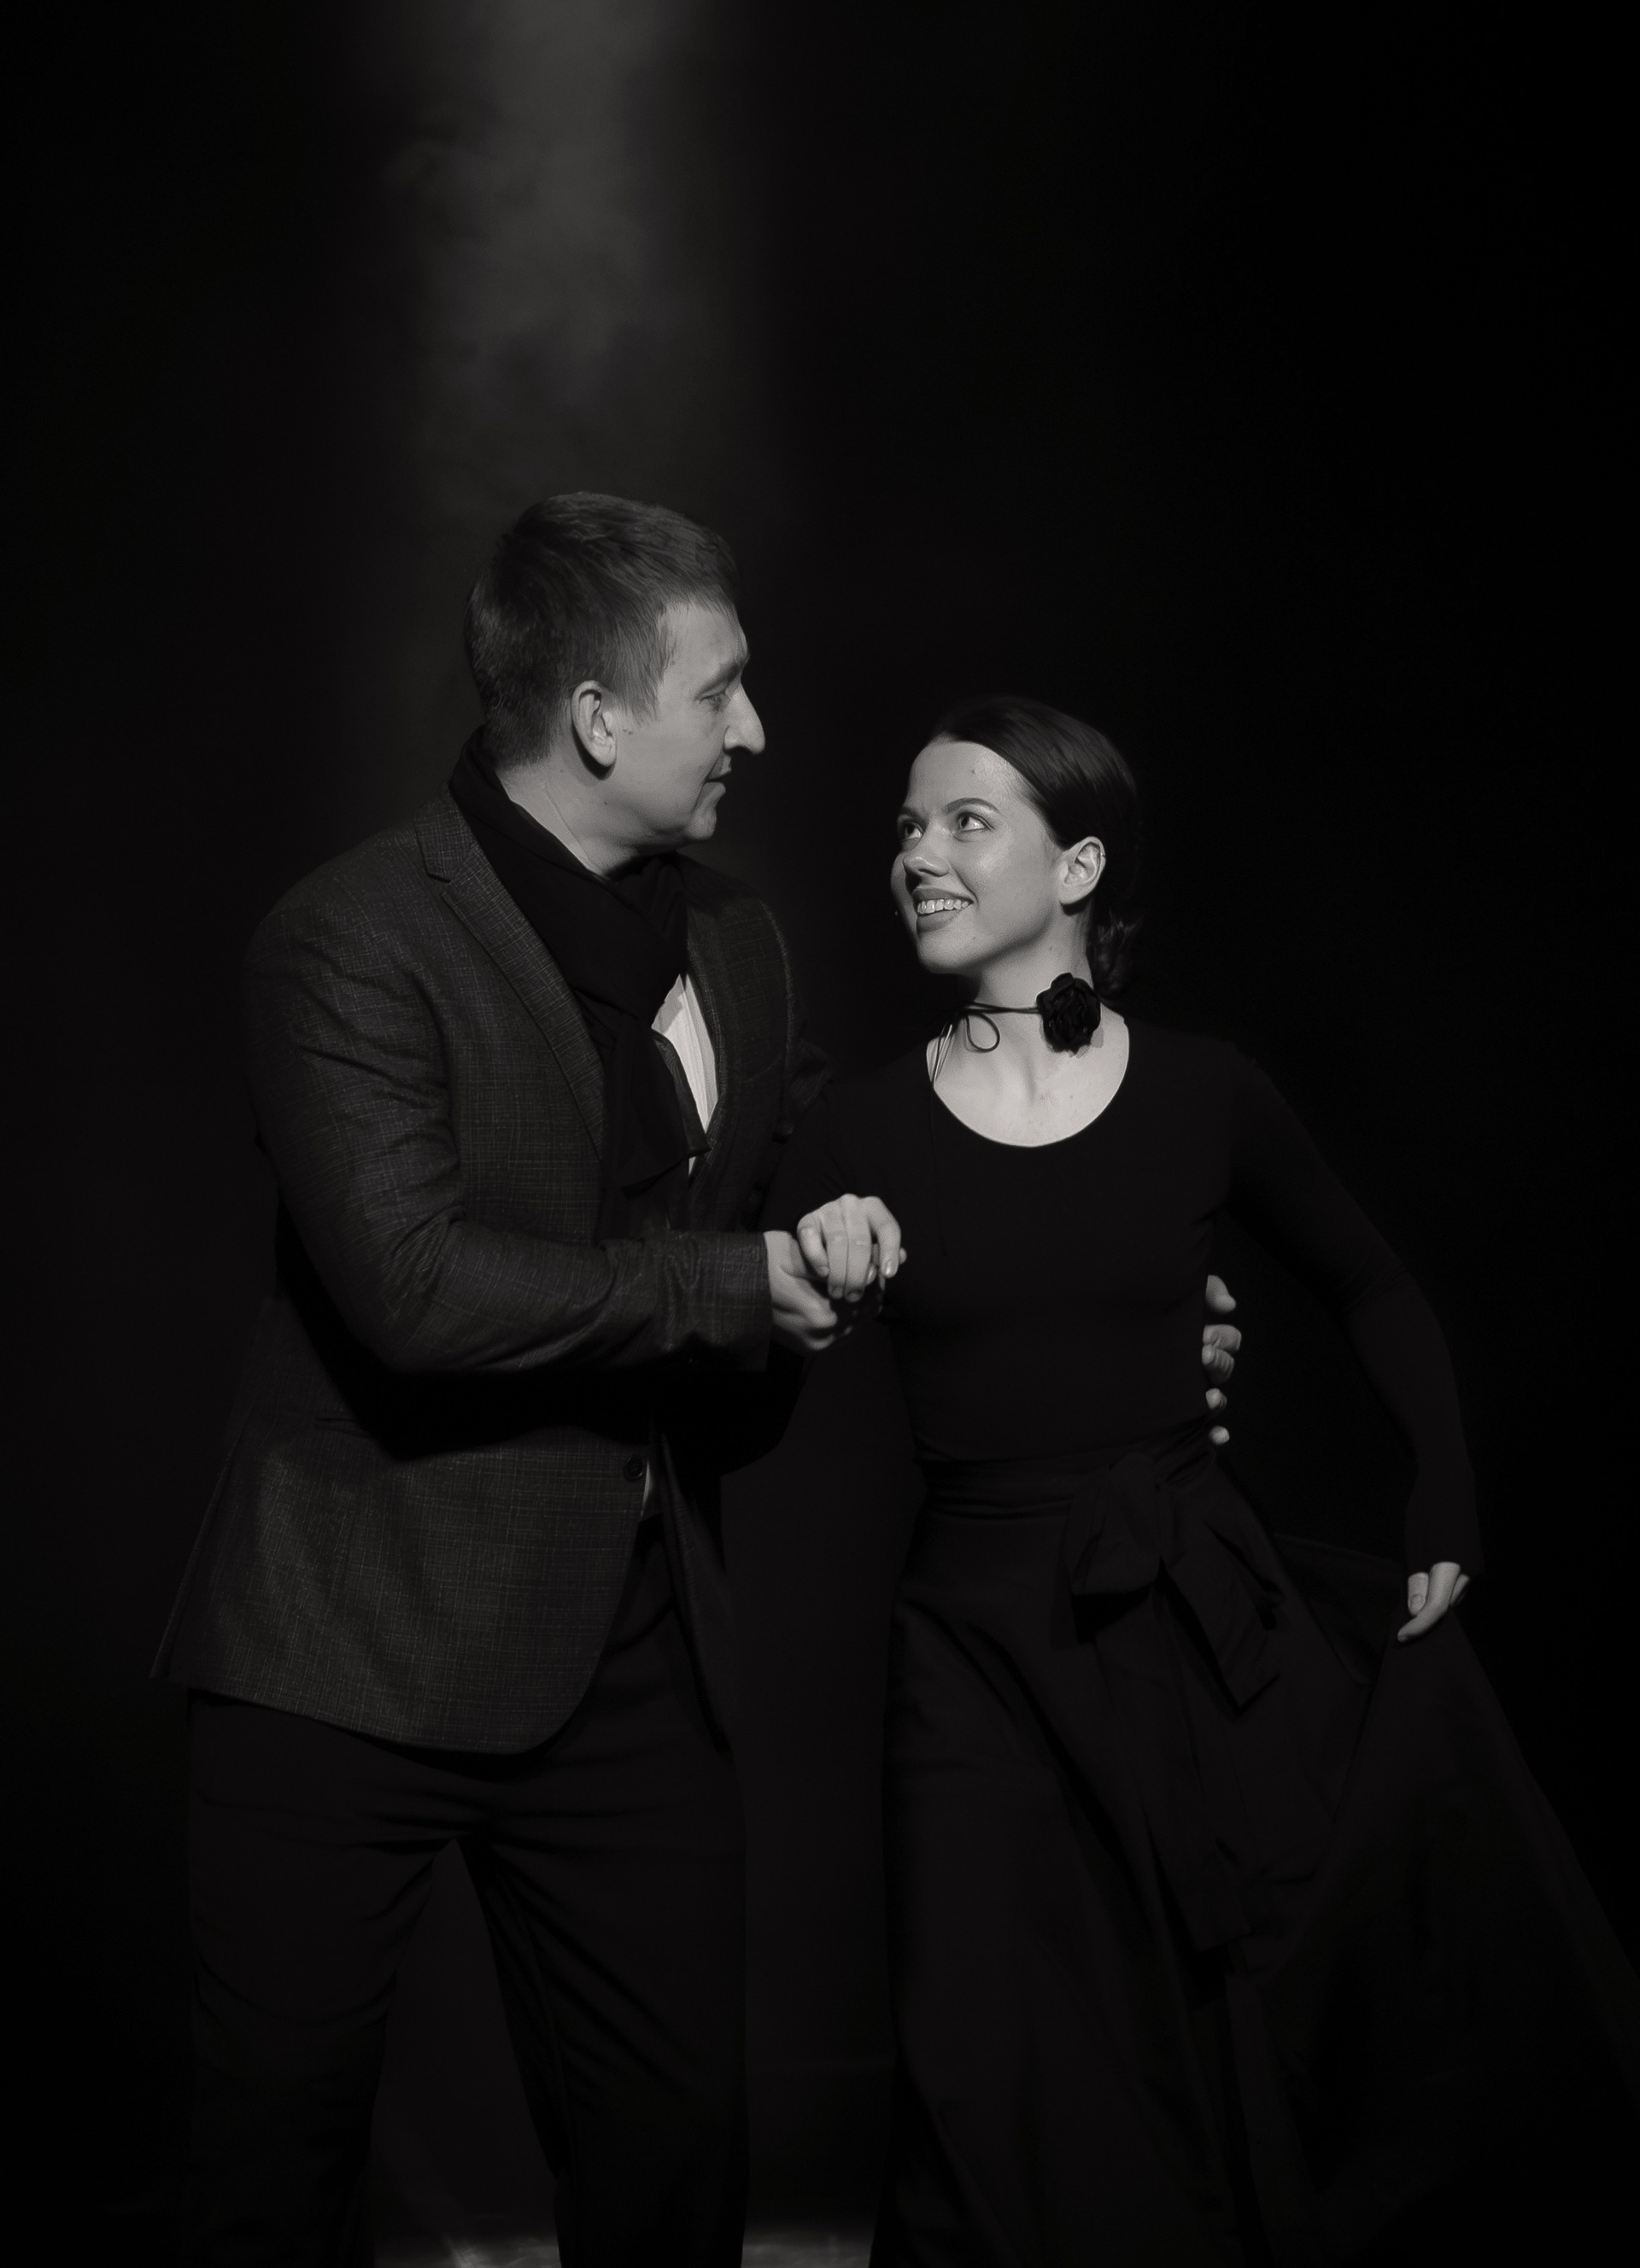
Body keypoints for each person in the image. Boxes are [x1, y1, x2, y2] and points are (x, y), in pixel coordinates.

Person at [152, 492, 1247, 2267]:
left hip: (637, 1646)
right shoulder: (351, 936)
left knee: (674, 2168)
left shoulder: (737, 938)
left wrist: (1114, 1301)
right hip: (346, 1651)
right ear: (599, 717)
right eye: (720, 689)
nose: (758, 728)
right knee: (271, 2175)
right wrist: (733, 1285)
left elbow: (844, 1184)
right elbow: (415, 1290)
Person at [768, 694, 1640, 2266]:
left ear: (1078, 865)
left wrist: (1441, 1492)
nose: (919, 854)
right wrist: (802, 1265)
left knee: (1215, 2051)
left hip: (1190, 1620)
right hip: (970, 1649)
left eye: (967, 821)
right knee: (979, 2063)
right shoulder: (857, 1127)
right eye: (907, 826)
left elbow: (1372, 1284)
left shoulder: (1199, 1091)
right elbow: (743, 1384)